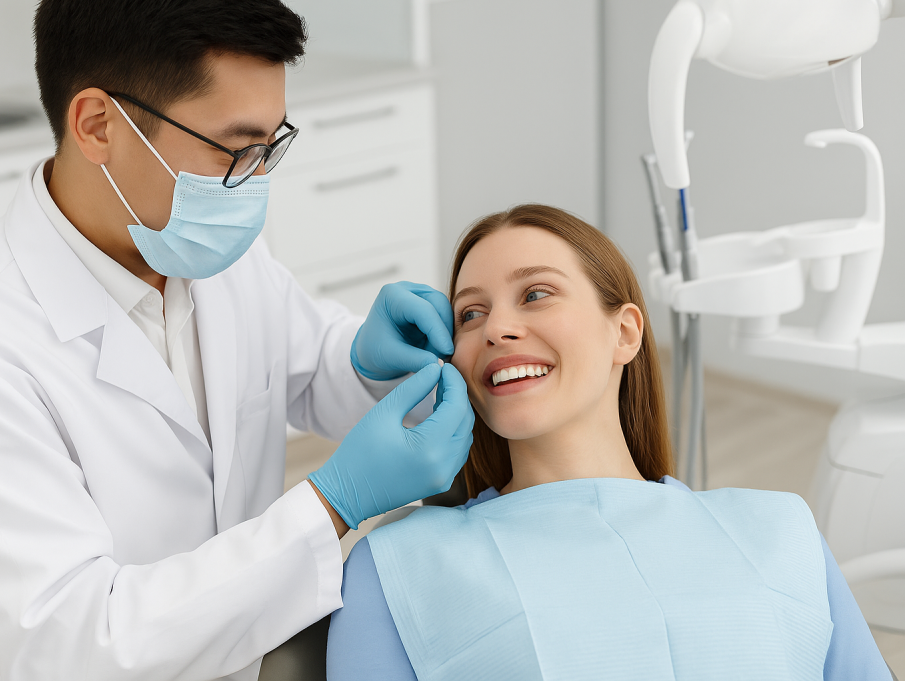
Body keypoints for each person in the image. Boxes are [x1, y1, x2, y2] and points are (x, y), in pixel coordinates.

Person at [0, 0, 474, 680]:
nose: (254, 179)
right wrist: (331, 505)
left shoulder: (202, 248)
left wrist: (364, 361)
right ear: (98, 126)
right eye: (235, 147)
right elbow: (77, 646)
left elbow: (303, 367)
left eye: (270, 145)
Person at [327, 204, 892, 680]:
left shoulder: (780, 529)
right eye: (471, 313)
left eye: (536, 294)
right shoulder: (399, 565)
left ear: (624, 332)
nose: (496, 327)